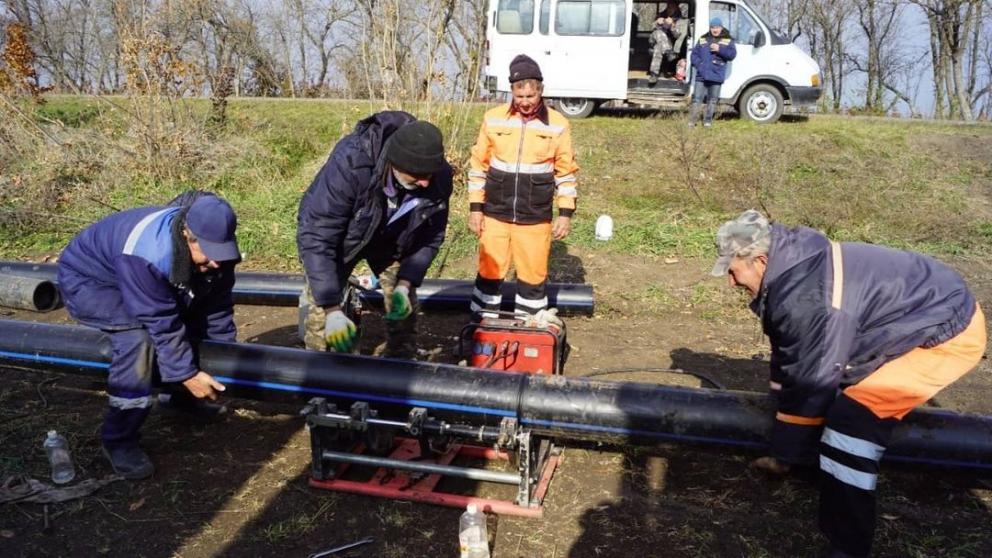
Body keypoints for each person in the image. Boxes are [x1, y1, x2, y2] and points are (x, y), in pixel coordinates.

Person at [711, 209, 986, 558]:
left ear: (761, 261)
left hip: (946, 334)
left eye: (734, 271)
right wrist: (788, 443)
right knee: (830, 393)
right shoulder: (794, 271)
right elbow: (793, 362)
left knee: (851, 422)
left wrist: (783, 456)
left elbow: (812, 379)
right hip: (912, 316)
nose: (731, 282)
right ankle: (812, 463)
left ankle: (848, 545)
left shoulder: (806, 300)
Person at [57, 191, 241, 480]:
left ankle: (179, 400)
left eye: (221, 254)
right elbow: (160, 321)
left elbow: (216, 308)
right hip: (91, 281)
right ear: (186, 235)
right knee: (138, 340)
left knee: (191, 313)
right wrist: (187, 374)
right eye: (209, 254)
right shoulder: (147, 254)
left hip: (134, 275)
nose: (216, 263)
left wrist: (225, 358)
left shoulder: (219, 253)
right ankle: (119, 439)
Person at [297, 112, 452, 358]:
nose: (425, 183)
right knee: (323, 317)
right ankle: (321, 375)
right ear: (396, 164)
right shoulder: (351, 165)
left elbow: (431, 235)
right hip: (342, 238)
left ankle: (400, 366)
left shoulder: (438, 177)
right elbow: (318, 236)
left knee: (404, 307)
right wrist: (331, 309)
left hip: (390, 240)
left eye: (429, 175)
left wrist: (405, 283)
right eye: (418, 176)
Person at [467, 54, 579, 320]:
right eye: (520, 97)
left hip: (535, 217)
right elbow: (478, 166)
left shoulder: (558, 125)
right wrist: (475, 209)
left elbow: (566, 173)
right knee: (489, 275)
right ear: (512, 92)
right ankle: (479, 334)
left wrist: (565, 214)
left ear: (540, 91)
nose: (526, 103)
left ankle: (529, 335)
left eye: (531, 96)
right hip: (494, 214)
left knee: (532, 278)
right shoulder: (493, 119)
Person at [689, 17, 737, 127]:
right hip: (701, 75)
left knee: (712, 100)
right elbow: (694, 55)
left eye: (717, 27)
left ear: (721, 28)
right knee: (696, 99)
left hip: (716, 75)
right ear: (710, 28)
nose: (715, 30)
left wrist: (720, 49)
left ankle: (707, 121)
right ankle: (692, 121)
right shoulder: (703, 39)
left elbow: (732, 55)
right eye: (712, 27)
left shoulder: (728, 40)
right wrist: (699, 65)